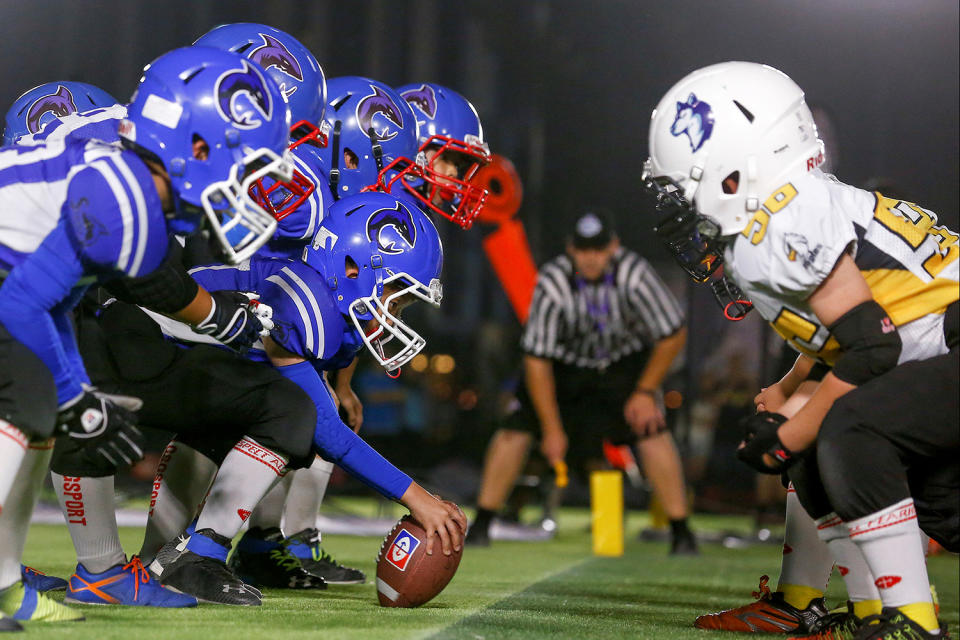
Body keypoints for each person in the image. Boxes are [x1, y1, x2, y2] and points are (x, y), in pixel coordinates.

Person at [643, 61, 958, 639]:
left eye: (687, 189)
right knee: (820, 440)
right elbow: (846, 330)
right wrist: (790, 394)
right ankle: (873, 614)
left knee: (841, 432)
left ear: (736, 170)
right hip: (932, 345)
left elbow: (871, 344)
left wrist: (790, 429)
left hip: (944, 339)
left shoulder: (780, 222)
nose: (686, 215)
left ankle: (909, 622)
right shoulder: (791, 209)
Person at [0, 45, 292, 626]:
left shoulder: (128, 180)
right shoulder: (127, 199)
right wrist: (72, 394)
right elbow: (21, 303)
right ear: (198, 147)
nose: (246, 182)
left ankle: (5, 583)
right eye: (243, 160)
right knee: (26, 404)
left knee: (38, 414)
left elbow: (49, 300)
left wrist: (74, 392)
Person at [137, 191, 466, 604]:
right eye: (396, 295)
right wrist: (417, 496)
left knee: (264, 410)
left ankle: (161, 558)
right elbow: (326, 433)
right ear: (352, 268)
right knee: (295, 415)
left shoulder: (323, 303)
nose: (395, 313)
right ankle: (198, 552)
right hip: (133, 351)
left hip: (164, 362)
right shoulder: (305, 300)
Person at [466, 210, 697, 554]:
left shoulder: (634, 274)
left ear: (613, 247)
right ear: (571, 249)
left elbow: (672, 334)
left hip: (622, 367)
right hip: (565, 369)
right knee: (514, 429)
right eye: (584, 249)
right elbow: (537, 358)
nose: (592, 258)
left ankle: (681, 531)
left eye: (599, 249)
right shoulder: (552, 281)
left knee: (652, 428)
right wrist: (551, 428)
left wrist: (645, 392)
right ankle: (482, 522)